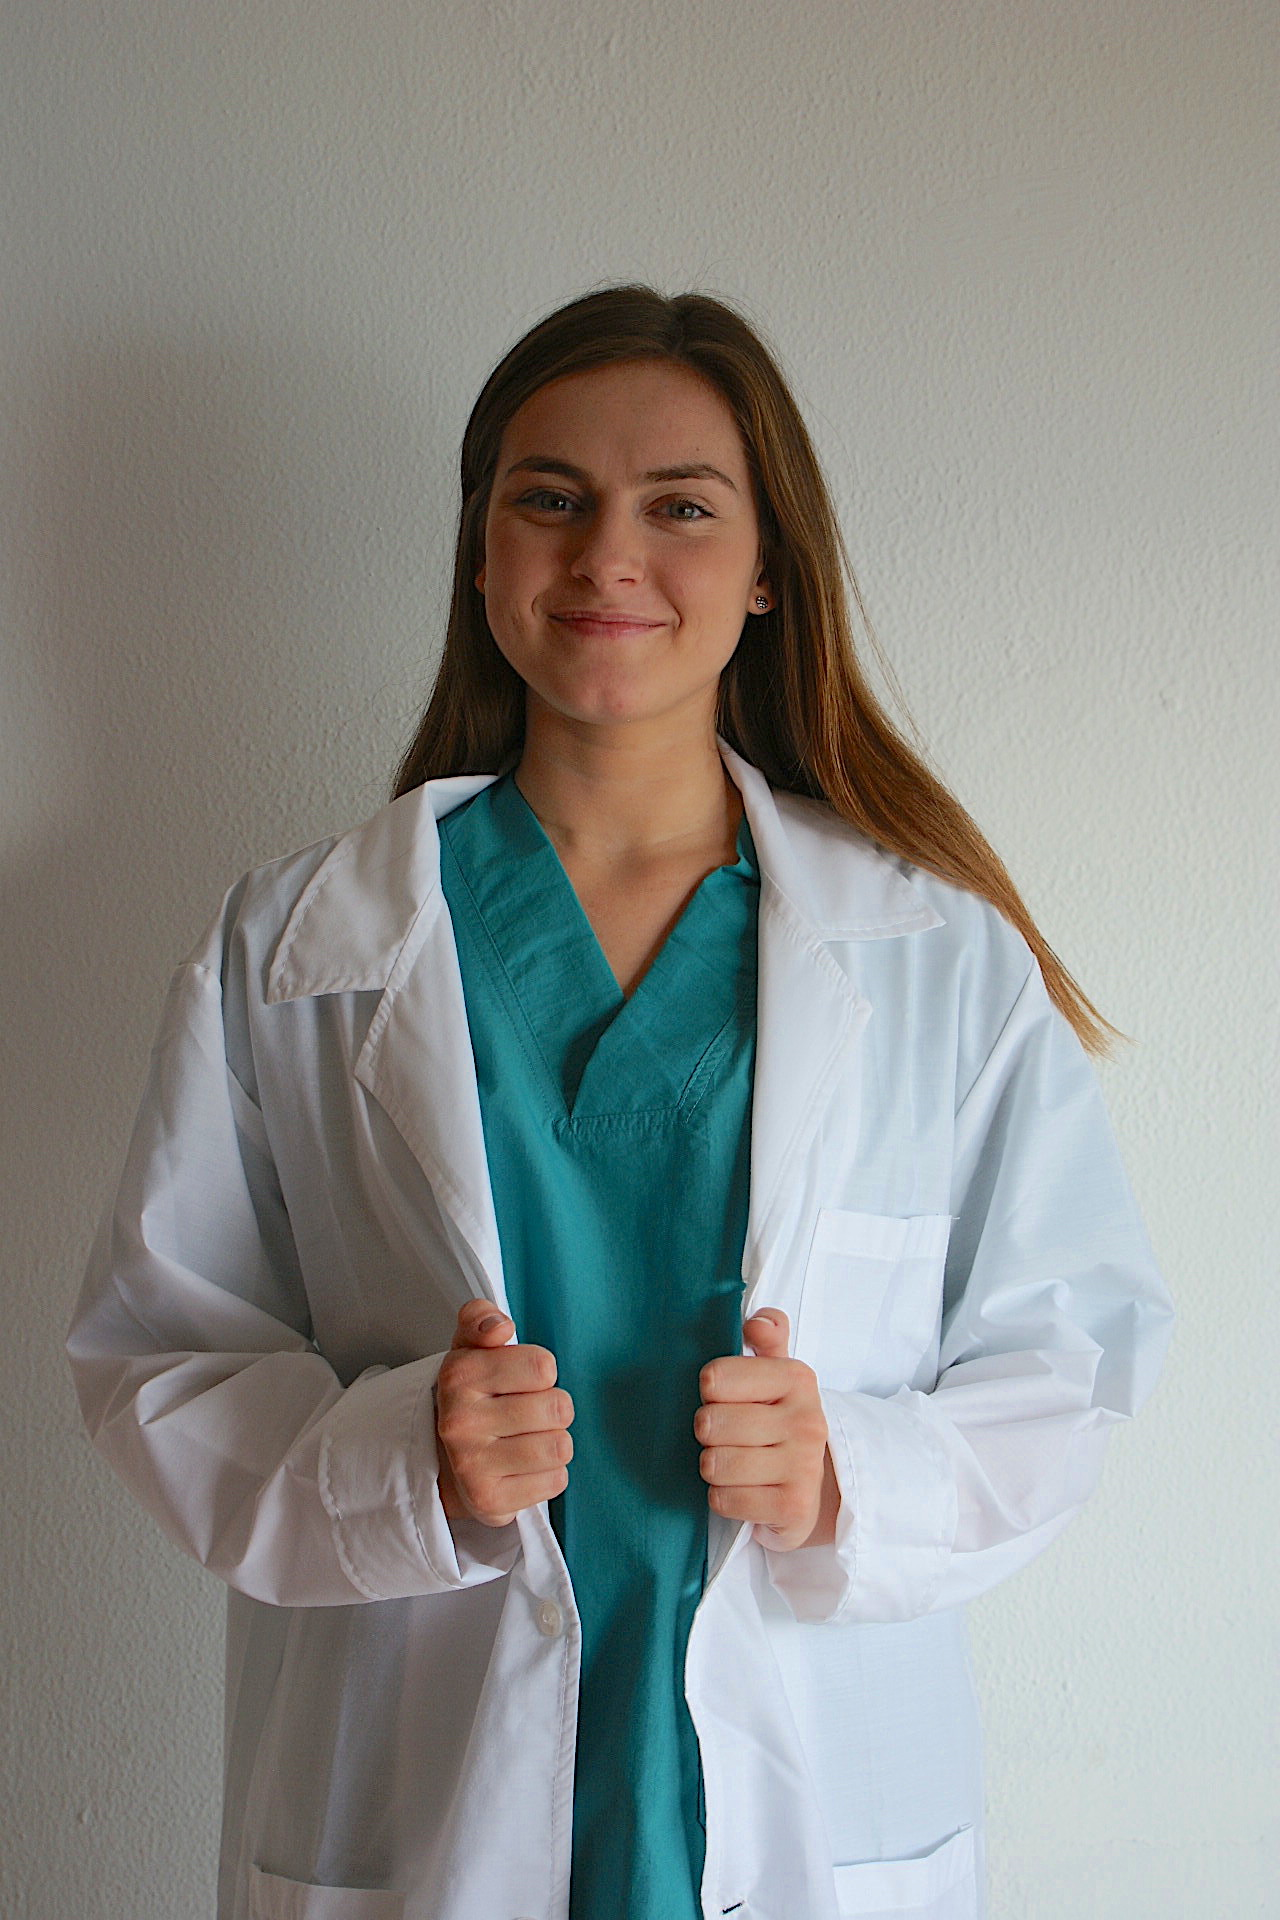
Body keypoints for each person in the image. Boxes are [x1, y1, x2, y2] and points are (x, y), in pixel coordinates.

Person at [68, 285, 1173, 1920]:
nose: (607, 556)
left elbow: (1070, 1357)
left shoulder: (936, 958)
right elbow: (159, 1356)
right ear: (481, 548)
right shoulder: (295, 949)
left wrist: (849, 1475)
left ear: (770, 569)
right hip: (418, 1799)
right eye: (551, 498)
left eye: (682, 507)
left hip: (809, 1809)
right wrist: (399, 1462)